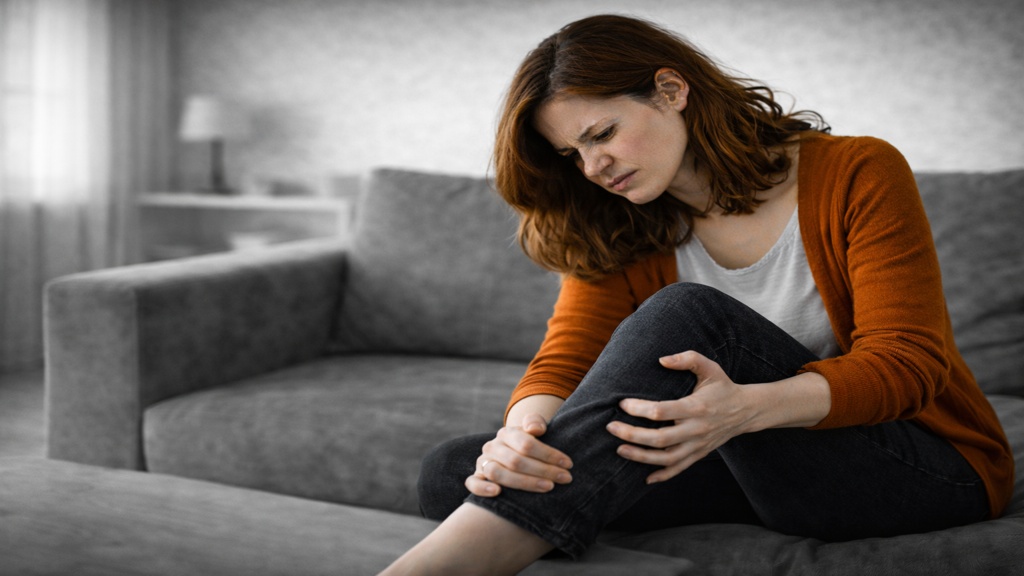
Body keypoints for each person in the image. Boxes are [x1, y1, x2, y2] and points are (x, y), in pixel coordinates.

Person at [380, 14, 1014, 575]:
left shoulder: (857, 171)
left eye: (601, 133)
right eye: (572, 154)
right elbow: (567, 358)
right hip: (748, 470)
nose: (593, 168)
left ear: (671, 89)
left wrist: (744, 410)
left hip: (918, 465)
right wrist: (523, 438)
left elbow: (908, 364)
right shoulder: (619, 217)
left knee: (693, 317)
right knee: (458, 470)